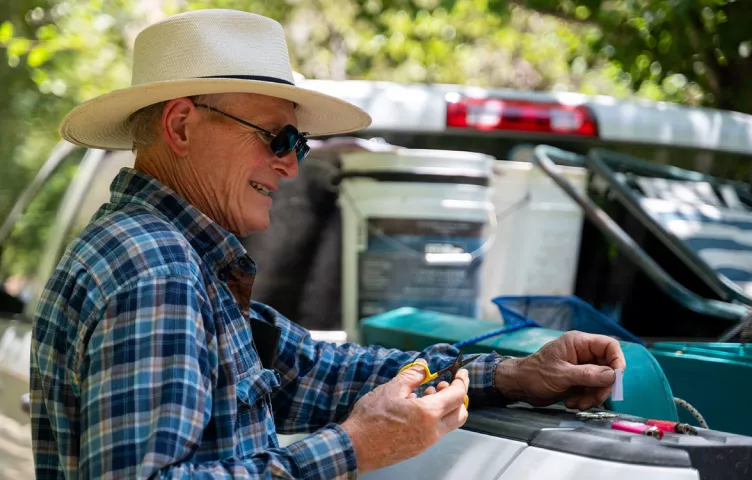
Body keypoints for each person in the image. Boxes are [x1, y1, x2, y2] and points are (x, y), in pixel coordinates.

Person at [30, 9, 626, 480]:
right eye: (278, 136)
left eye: (300, 144)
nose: (291, 165)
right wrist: (354, 448)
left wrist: (514, 374)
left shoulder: (170, 258)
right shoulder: (156, 268)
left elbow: (312, 370)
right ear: (181, 125)